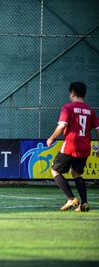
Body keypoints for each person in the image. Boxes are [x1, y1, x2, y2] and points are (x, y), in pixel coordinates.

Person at [47, 82, 99, 212]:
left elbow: (62, 125)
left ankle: (70, 198)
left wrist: (52, 138)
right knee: (76, 173)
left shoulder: (68, 107)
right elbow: (98, 129)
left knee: (55, 170)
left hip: (71, 145)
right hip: (85, 147)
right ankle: (84, 203)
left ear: (72, 93)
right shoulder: (91, 111)